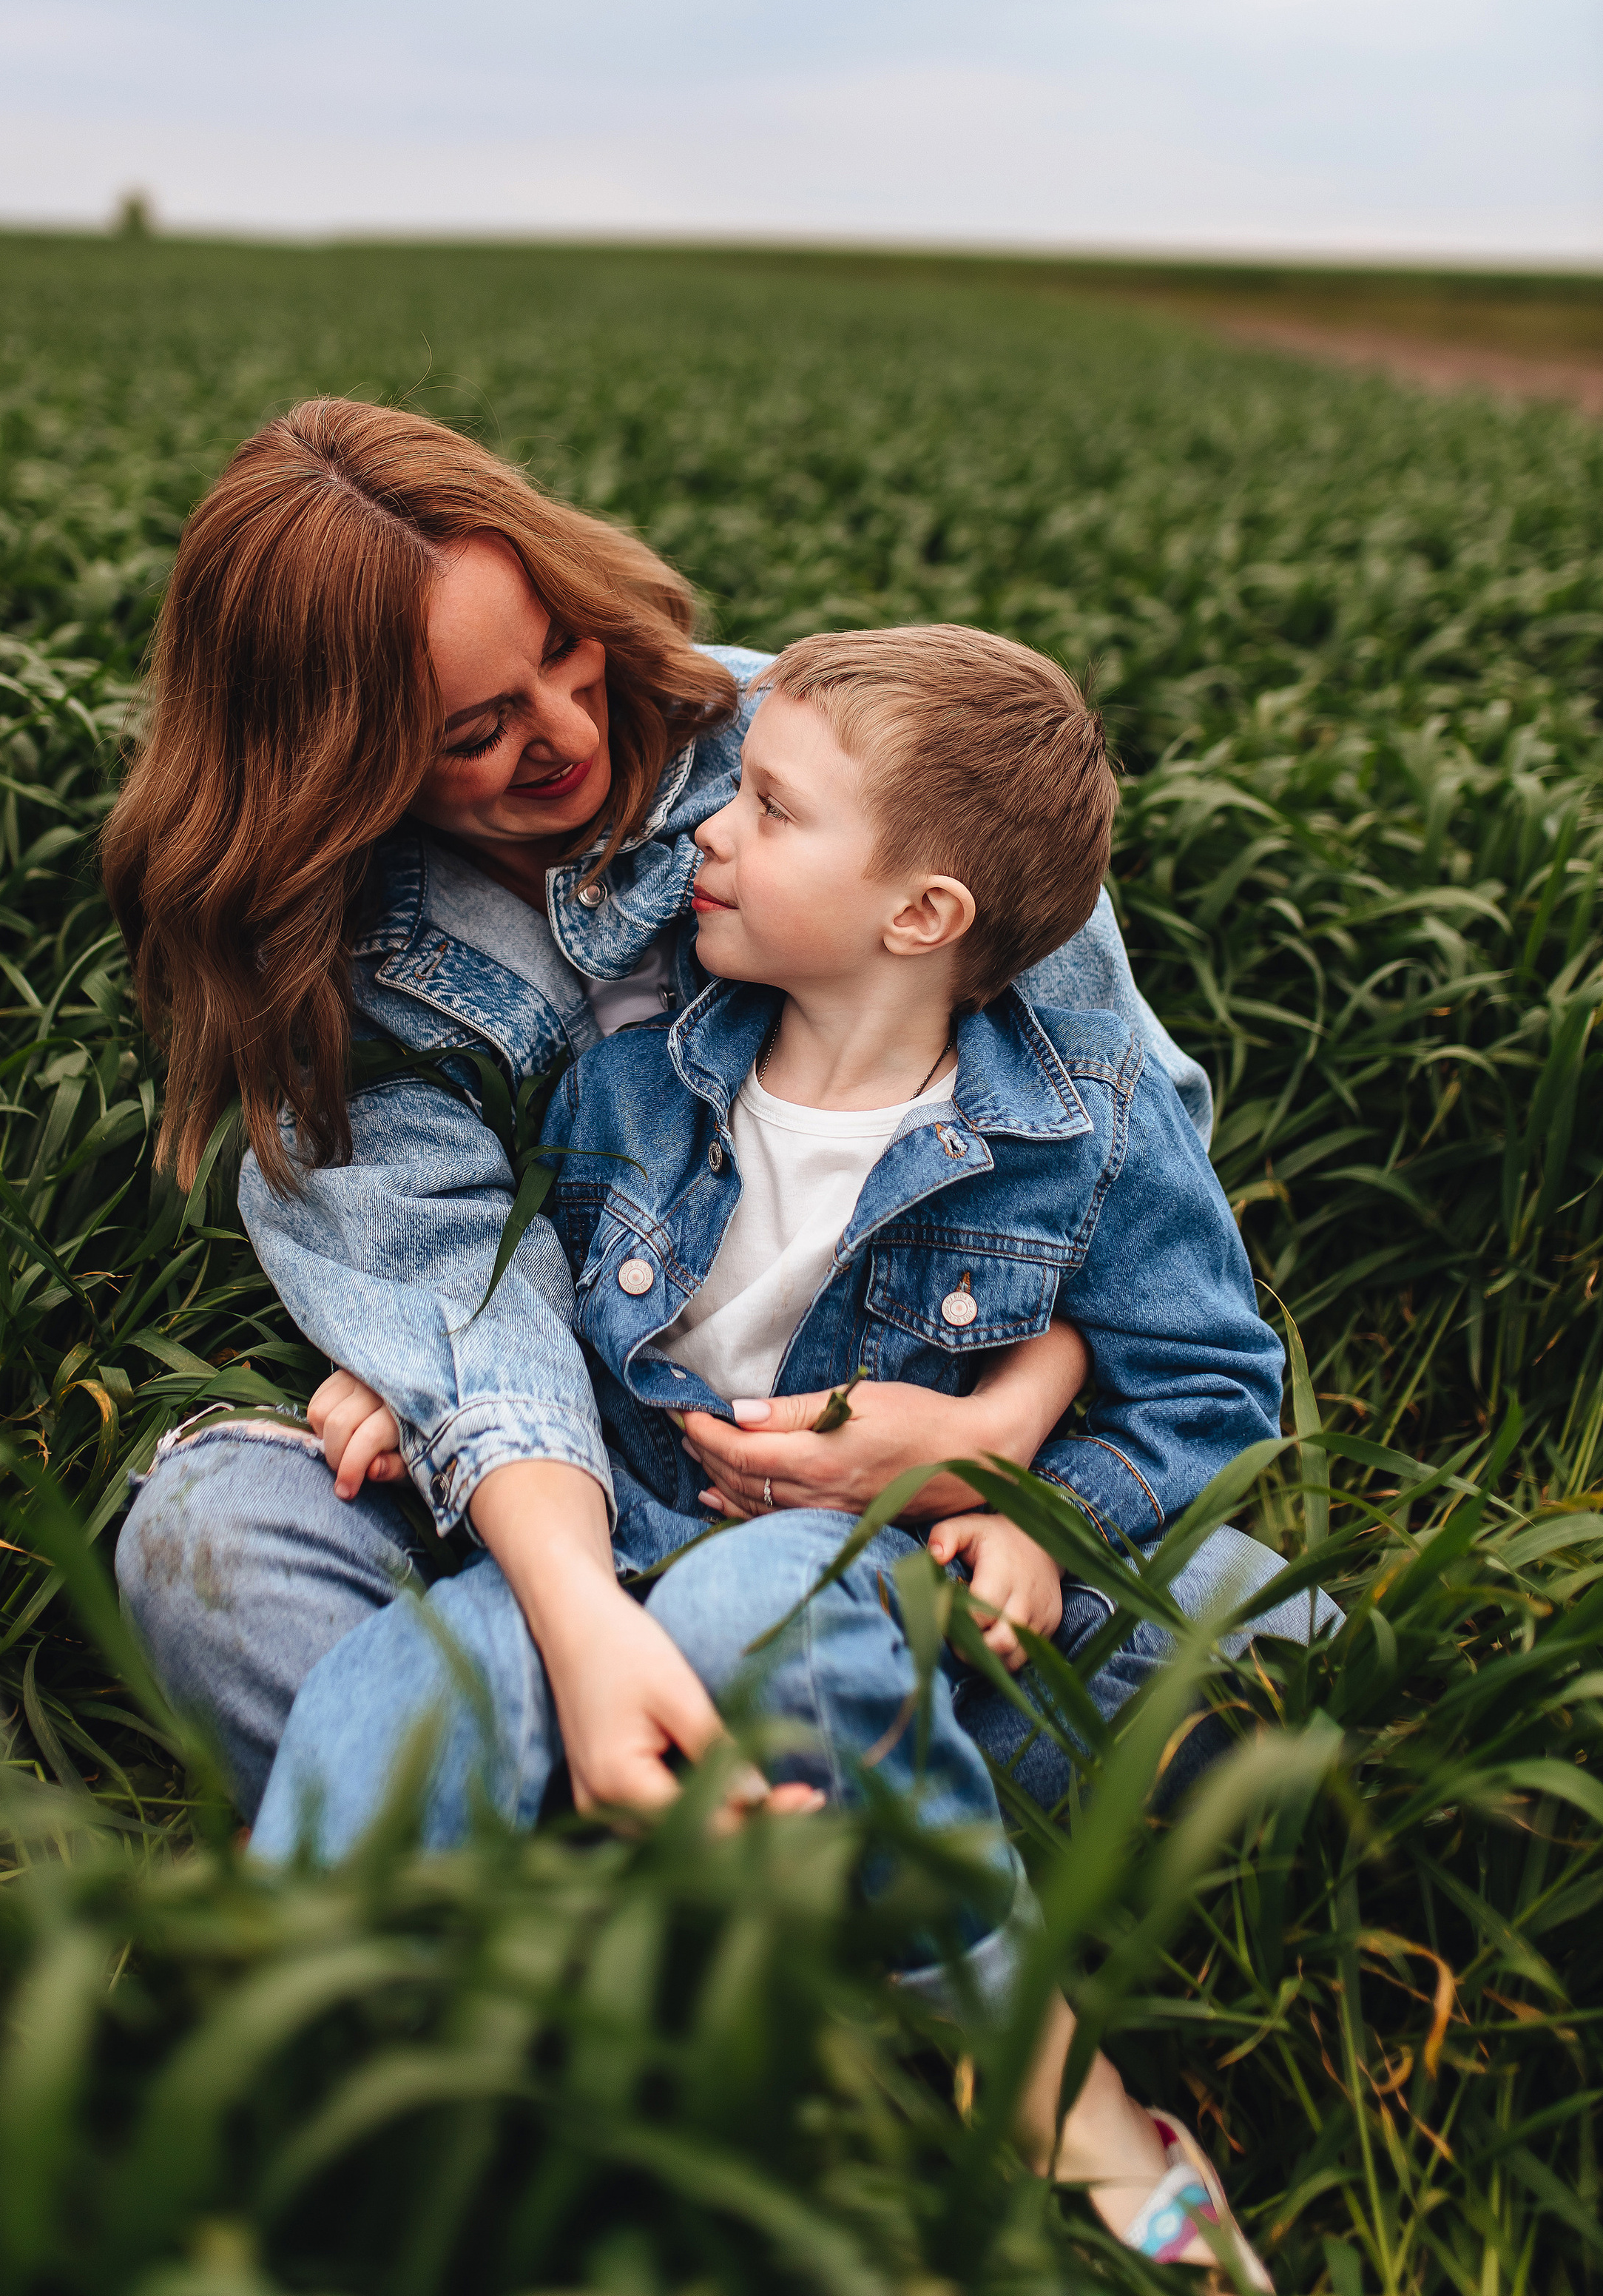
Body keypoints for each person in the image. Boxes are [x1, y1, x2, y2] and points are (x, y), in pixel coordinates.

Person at [246, 618, 1295, 2281]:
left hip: (845, 1556)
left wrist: (1029, 1494)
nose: (705, 831)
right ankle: (330, 2112)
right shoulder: (638, 1068)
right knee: (385, 1700)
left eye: (767, 810)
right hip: (614, 1536)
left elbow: (1212, 1390)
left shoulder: (1082, 1120)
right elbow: (530, 1293)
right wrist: (414, 1371)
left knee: (787, 1622)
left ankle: (1039, 2080)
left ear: (920, 915)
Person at [109, 397, 1312, 1831]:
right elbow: (453, 1284)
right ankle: (764, 1808)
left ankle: (580, 1819)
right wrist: (443, 1393)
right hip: (573, 1491)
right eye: (475, 732)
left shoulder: (862, 760)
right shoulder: (339, 951)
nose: (566, 733)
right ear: (337, 763)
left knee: (1262, 1642)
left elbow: (1112, 1199)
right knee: (207, 1546)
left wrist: (999, 1441)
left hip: (889, 1513)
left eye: (563, 650)